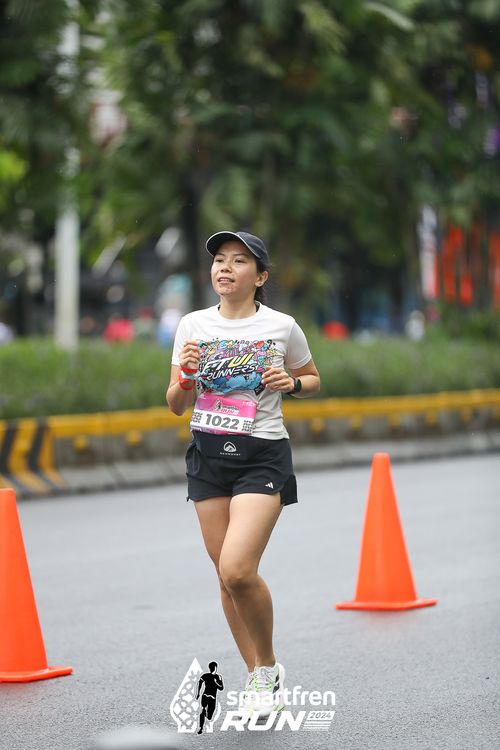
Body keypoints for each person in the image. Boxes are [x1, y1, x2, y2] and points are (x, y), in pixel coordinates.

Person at [166, 230, 320, 718]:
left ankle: (268, 666)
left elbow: (313, 378)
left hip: (261, 455)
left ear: (261, 276)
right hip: (208, 455)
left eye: (238, 261)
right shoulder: (192, 325)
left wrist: (291, 383)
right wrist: (186, 376)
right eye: (219, 261)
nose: (225, 269)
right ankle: (256, 674)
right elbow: (175, 404)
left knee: (237, 568)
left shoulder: (282, 326)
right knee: (224, 576)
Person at [195, 661, 224, 734]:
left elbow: (199, 683)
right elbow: (221, 688)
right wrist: (215, 683)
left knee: (207, 715)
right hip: (209, 697)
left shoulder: (210, 676)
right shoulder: (214, 676)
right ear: (215, 668)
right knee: (205, 712)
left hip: (207, 696)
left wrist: (198, 693)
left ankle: (203, 719)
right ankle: (201, 727)